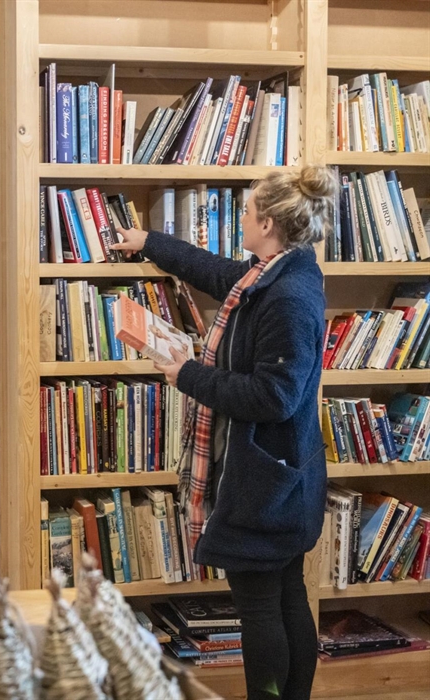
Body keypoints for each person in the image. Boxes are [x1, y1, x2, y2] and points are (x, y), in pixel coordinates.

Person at [111, 166, 337, 700]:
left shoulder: (287, 297)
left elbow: (272, 397)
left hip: (267, 483)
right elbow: (217, 273)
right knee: (285, 598)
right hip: (279, 476)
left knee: (264, 606)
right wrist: (149, 243)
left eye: (245, 211)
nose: (240, 217)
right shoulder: (275, 273)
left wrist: (186, 374)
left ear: (268, 222)